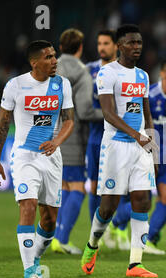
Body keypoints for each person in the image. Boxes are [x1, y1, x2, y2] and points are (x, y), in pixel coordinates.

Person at [80, 24, 159, 278]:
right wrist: (137, 135)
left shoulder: (143, 76)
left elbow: (146, 110)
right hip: (115, 146)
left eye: (139, 42)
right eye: (131, 43)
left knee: (142, 200)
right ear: (119, 46)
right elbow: (108, 113)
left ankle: (135, 264)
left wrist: (151, 140)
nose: (137, 47)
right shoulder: (107, 73)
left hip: (140, 147)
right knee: (108, 207)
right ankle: (92, 245)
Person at [0, 40, 74, 278]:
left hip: (51, 158)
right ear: (34, 62)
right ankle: (29, 270)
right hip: (24, 155)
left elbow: (69, 120)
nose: (54, 61)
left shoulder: (62, 84)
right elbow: (2, 124)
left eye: (55, 56)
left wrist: (57, 141)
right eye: (49, 57)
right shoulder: (15, 85)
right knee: (28, 205)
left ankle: (36, 256)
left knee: (49, 220)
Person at [106, 56, 166, 255]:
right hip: (146, 152)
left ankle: (148, 239)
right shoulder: (149, 93)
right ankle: (114, 223)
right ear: (163, 73)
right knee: (142, 201)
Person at [51, 29, 104, 254]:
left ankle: (54, 237)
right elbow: (84, 110)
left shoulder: (51, 66)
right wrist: (110, 114)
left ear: (61, 48)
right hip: (70, 136)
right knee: (78, 189)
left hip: (47, 132)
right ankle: (61, 239)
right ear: (81, 48)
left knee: (62, 188)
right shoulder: (81, 72)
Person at [85, 30, 132, 251]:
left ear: (116, 46)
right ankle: (96, 233)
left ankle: (117, 227)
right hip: (95, 136)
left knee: (122, 188)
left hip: (121, 137)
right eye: (99, 43)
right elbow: (84, 106)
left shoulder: (127, 71)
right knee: (95, 186)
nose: (101, 47)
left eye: (106, 43)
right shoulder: (89, 71)